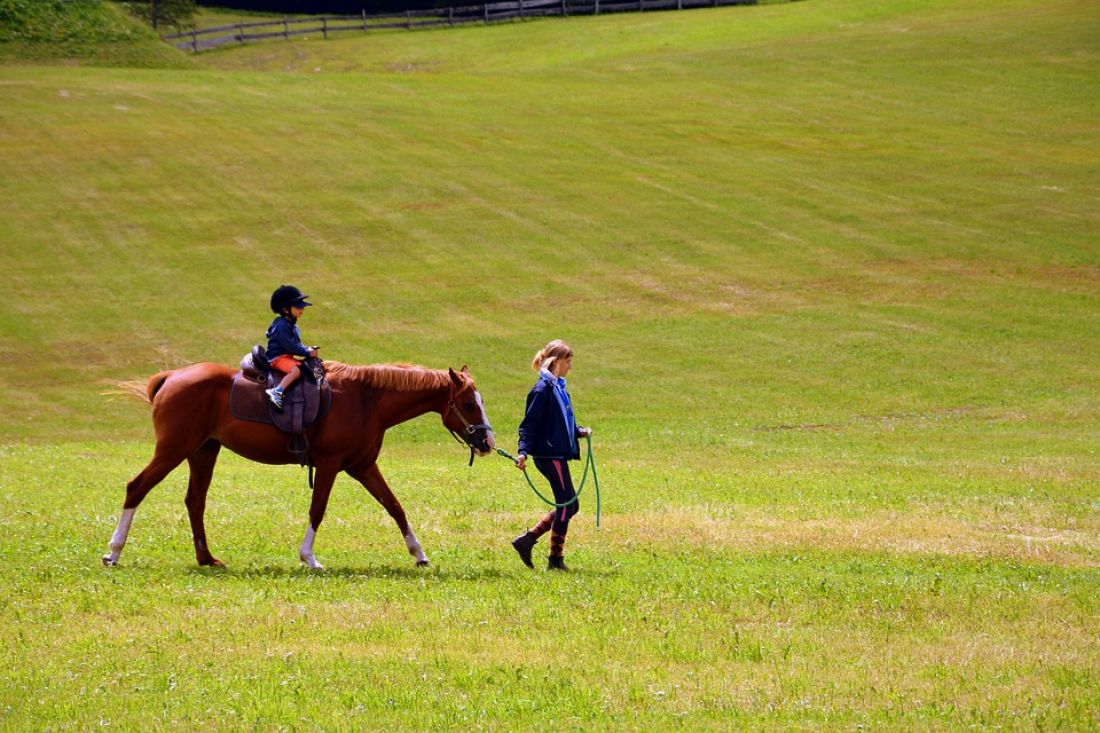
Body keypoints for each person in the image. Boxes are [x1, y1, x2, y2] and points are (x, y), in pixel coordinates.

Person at [511, 339, 592, 571]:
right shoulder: (542, 390)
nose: (570, 366)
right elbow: (528, 425)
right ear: (556, 362)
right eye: (568, 361)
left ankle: (527, 541)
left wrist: (579, 432)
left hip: (558, 454)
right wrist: (523, 452)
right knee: (568, 504)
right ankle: (555, 560)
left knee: (570, 505)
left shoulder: (559, 389)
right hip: (548, 456)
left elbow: (562, 423)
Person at [264, 285, 319, 410]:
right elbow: (290, 346)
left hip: (286, 356)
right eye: (298, 306)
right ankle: (277, 391)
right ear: (286, 309)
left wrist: (308, 349)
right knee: (296, 370)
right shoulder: (282, 325)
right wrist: (307, 352)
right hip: (277, 358)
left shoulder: (292, 326)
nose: (302, 309)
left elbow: (297, 345)